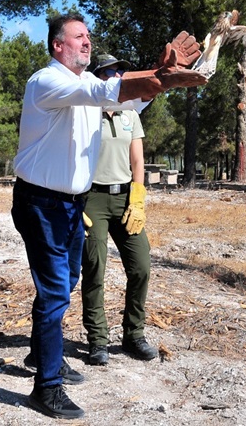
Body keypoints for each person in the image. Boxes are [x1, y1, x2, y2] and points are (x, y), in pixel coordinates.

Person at [11, 13, 205, 420]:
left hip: (71, 204)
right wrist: (162, 76)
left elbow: (127, 100)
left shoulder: (83, 85)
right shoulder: (47, 81)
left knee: (66, 282)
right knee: (55, 292)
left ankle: (43, 354)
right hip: (42, 204)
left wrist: (159, 74)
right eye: (78, 37)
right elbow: (106, 89)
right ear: (57, 46)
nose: (87, 41)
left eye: (88, 36)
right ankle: (46, 387)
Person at [81, 54, 157, 366]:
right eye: (108, 72)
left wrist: (138, 198)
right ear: (96, 78)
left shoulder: (130, 112)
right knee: (94, 268)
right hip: (92, 199)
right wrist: (75, 200)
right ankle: (97, 340)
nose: (115, 76)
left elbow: (137, 160)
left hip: (125, 197)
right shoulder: (85, 112)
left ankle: (134, 335)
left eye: (119, 72)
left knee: (141, 267)